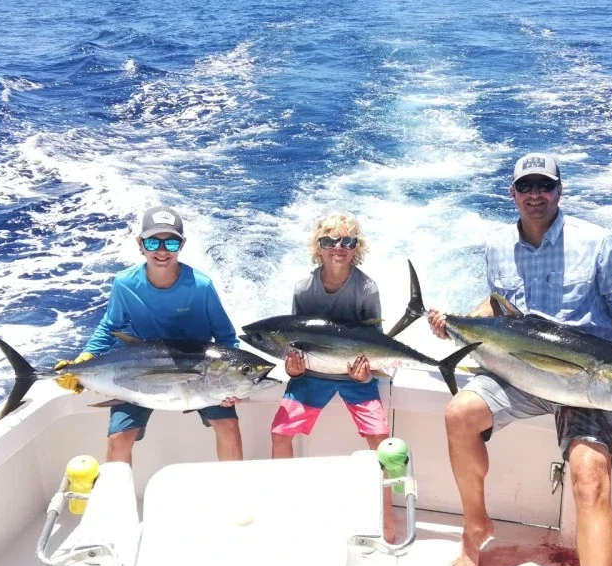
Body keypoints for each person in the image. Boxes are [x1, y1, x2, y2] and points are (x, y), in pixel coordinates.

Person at [428, 153, 612, 566]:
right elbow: (497, 305)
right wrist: (454, 323)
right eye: (525, 187)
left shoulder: (597, 242)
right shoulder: (497, 246)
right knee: (459, 413)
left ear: (559, 191)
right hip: (522, 369)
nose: (535, 195)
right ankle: (476, 523)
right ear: (513, 194)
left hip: (585, 381)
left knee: (589, 475)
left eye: (544, 186)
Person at [54, 206, 243, 464]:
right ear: (140, 244)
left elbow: (226, 338)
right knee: (118, 438)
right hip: (142, 370)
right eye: (153, 242)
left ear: (182, 245)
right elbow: (110, 326)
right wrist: (85, 358)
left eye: (171, 243)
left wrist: (232, 383)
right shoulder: (124, 283)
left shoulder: (201, 286)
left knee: (228, 426)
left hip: (200, 372)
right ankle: (118, 490)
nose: (162, 251)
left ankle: (234, 487)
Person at [270, 212, 397, 543]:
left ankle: (388, 516)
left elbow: (375, 341)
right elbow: (295, 344)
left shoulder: (366, 289)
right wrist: (293, 369)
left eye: (347, 241)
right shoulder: (304, 289)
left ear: (357, 247)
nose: (338, 247)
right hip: (313, 374)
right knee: (280, 433)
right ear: (319, 247)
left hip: (355, 375)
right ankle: (284, 508)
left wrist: (364, 373)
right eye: (329, 241)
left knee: (381, 440)